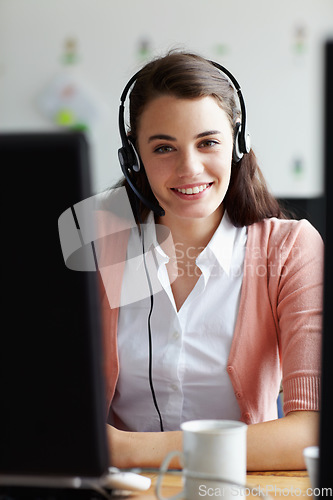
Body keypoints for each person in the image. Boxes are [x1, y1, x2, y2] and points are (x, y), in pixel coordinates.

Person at [95, 51, 323, 471]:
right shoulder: (95, 247)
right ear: (133, 158)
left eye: (208, 142)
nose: (189, 168)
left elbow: (311, 430)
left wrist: (125, 450)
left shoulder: (290, 249)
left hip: (238, 489)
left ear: (239, 144)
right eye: (164, 147)